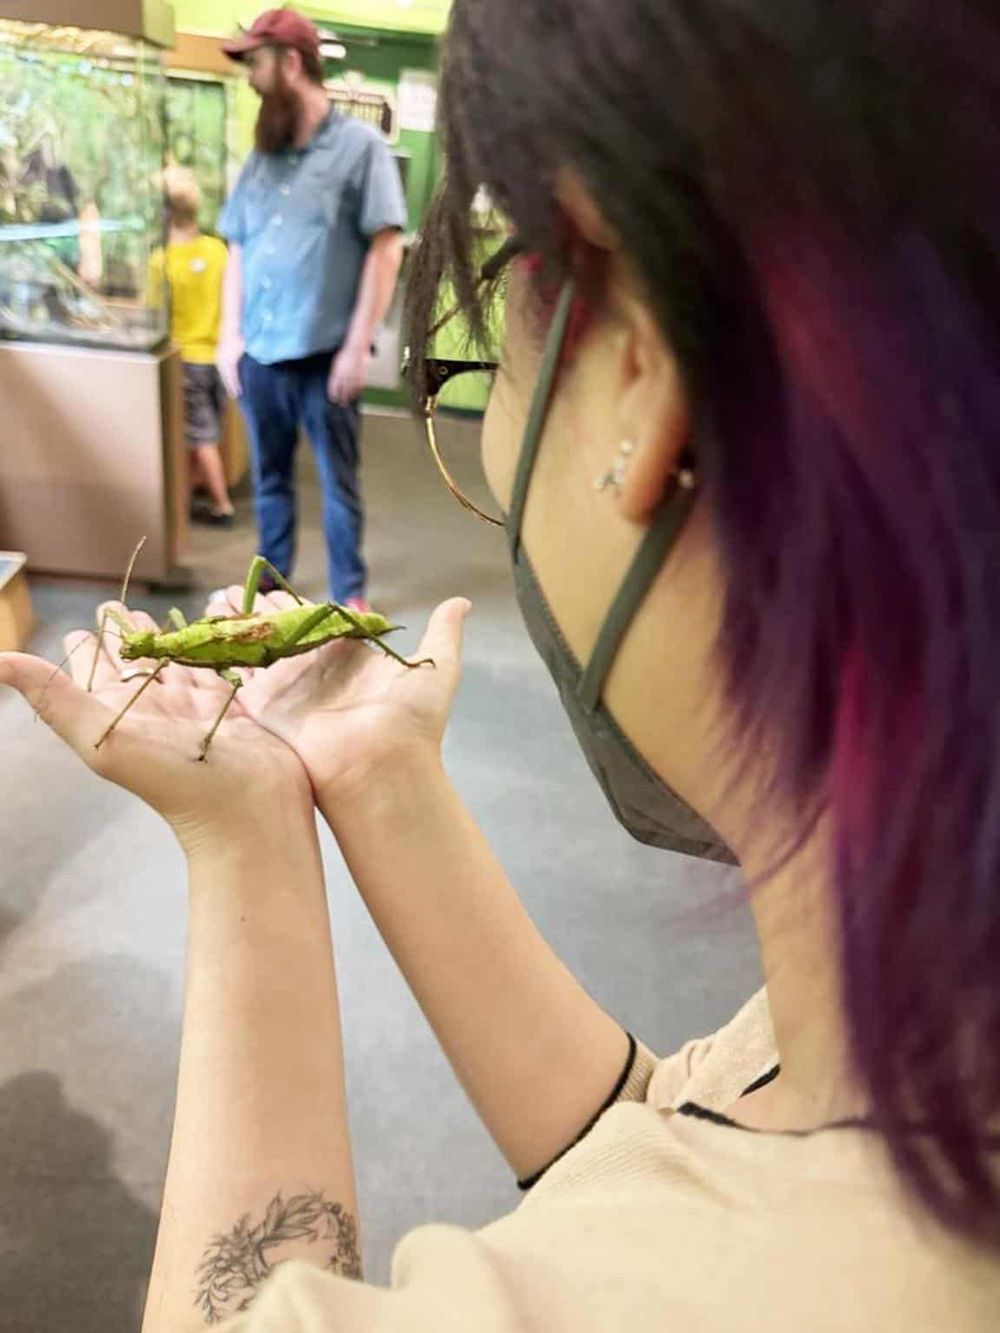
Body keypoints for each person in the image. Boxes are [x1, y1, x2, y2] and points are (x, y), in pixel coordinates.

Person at [1, 1, 999, 1330]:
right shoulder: (910, 998)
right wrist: (376, 777)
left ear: (639, 366)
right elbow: (672, 1146)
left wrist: (242, 843)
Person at [216, 8, 407, 612]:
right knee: (270, 480)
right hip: (260, 356)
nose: (251, 78)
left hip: (327, 358)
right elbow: (238, 247)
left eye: (256, 63)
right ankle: (273, 587)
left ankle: (350, 594)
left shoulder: (361, 149)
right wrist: (228, 337)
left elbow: (385, 248)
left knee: (337, 484)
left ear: (292, 63)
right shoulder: (260, 158)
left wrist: (356, 346)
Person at [153, 165, 235, 526]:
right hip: (217, 357)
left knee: (201, 437)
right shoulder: (218, 251)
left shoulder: (161, 261)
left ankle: (221, 504)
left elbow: (152, 311)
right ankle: (184, 499)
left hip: (185, 359)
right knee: (200, 432)